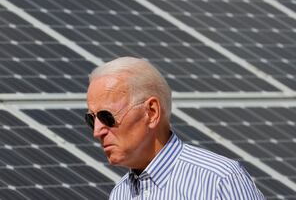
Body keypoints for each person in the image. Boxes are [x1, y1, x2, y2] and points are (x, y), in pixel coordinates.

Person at [85, 56, 265, 200]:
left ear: (151, 112)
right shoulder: (120, 193)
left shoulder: (219, 180)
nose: (97, 131)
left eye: (106, 116)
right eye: (91, 119)